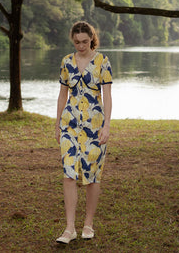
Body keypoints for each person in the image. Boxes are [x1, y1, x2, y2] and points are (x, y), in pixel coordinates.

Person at [55, 21, 112, 244]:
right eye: (77, 42)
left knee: (91, 176)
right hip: (69, 125)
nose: (80, 46)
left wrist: (107, 125)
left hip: (94, 127)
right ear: (73, 40)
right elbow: (62, 95)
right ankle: (69, 229)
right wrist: (57, 124)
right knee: (69, 175)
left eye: (85, 42)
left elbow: (107, 96)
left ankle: (88, 224)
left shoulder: (102, 61)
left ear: (92, 39)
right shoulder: (66, 62)